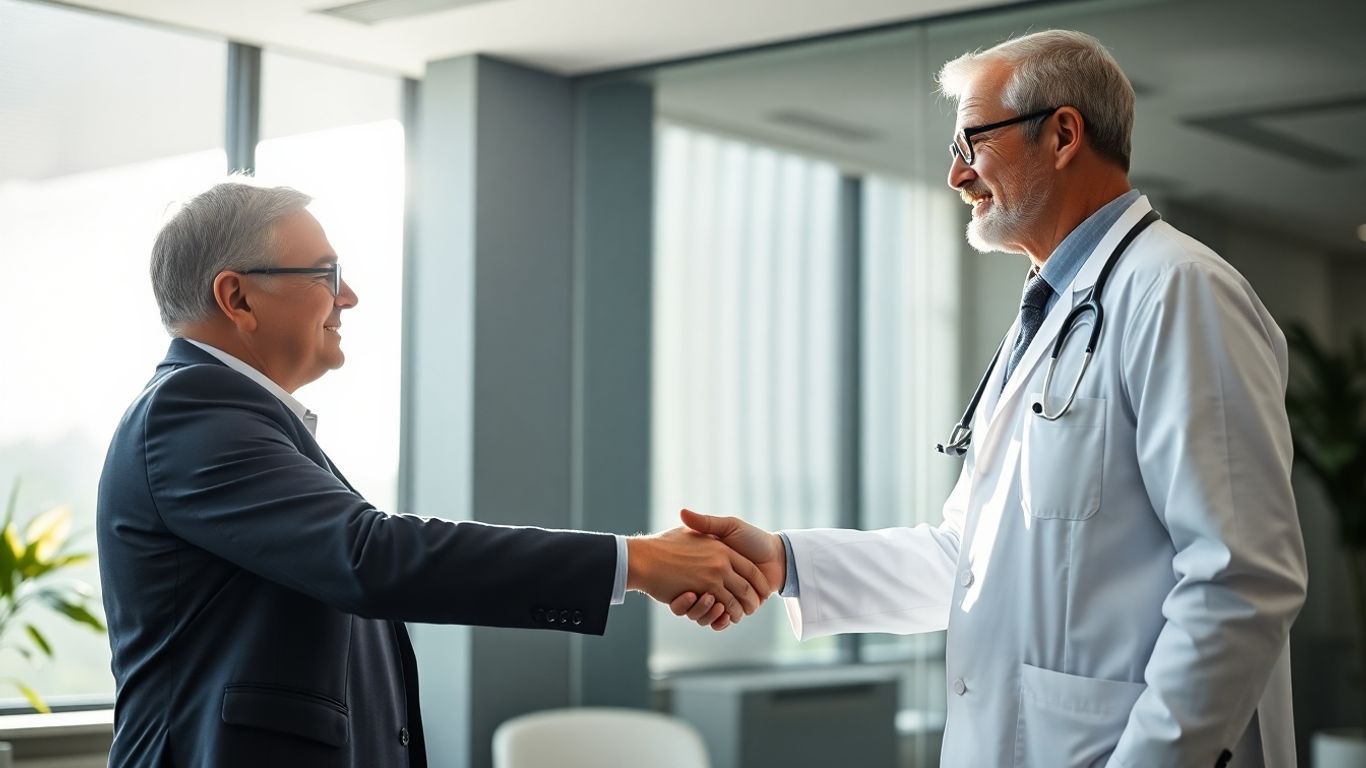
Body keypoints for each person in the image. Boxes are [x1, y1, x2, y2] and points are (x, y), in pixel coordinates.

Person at [673, 30, 1307, 767]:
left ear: (1064, 134)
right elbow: (966, 558)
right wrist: (783, 561)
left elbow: (1240, 576)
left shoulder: (1179, 290)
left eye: (971, 141)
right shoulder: (1052, 313)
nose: (955, 174)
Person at [96, 182, 767, 767]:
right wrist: (638, 561)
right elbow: (369, 556)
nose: (349, 297)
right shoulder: (192, 412)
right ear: (237, 296)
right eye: (326, 275)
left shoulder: (237, 417)